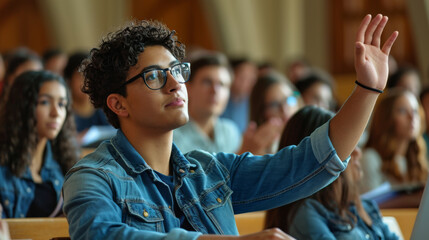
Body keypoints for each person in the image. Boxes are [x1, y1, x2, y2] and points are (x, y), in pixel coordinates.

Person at [62, 14, 398, 239]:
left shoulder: (211, 171)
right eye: (153, 76)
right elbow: (102, 235)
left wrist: (367, 91)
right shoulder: (93, 176)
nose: (175, 84)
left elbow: (309, 164)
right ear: (118, 103)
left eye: (177, 70)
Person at [265, 106, 399, 239]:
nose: (357, 152)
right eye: (346, 143)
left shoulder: (366, 206)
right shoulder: (307, 213)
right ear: (318, 158)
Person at [0, 70, 79, 218]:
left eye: (62, 104)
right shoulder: (3, 162)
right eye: (45, 102)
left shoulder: (65, 162)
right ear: (23, 107)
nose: (56, 113)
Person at [360, 88, 428, 193]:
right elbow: (371, 206)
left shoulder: (415, 159)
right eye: (402, 111)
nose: (412, 117)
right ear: (386, 118)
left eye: (415, 111)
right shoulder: (371, 158)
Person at [173, 53, 241, 153]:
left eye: (222, 85)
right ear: (188, 87)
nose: (215, 91)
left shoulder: (230, 132)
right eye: (207, 82)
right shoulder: (172, 137)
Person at [64, 52, 113, 146]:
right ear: (69, 80)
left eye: (90, 76)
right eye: (80, 76)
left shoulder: (104, 107)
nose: (86, 82)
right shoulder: (64, 111)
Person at [248, 70, 303, 154]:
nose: (284, 110)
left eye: (289, 100)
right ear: (260, 113)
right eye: (274, 105)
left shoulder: (310, 136)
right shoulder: (254, 147)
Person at [221, 58, 258, 133]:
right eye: (243, 78)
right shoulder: (219, 100)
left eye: (252, 79)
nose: (248, 83)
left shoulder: (253, 103)